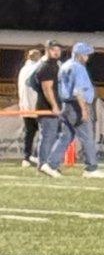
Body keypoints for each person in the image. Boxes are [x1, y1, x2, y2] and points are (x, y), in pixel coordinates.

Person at [41, 42, 104, 179]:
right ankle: (91, 168)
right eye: (86, 54)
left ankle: (51, 164)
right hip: (77, 105)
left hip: (67, 104)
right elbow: (79, 90)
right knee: (87, 137)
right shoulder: (78, 68)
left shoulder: (65, 66)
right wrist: (83, 110)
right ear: (80, 55)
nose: (88, 57)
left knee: (66, 136)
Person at [32, 39, 64, 173]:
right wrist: (54, 106)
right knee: (48, 136)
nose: (56, 52)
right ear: (47, 50)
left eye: (58, 50)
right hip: (47, 108)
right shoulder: (46, 67)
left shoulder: (55, 65)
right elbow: (47, 89)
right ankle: (43, 163)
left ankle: (47, 162)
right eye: (53, 50)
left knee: (54, 136)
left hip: (54, 107)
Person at [17, 45, 45, 166]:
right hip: (37, 107)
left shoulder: (23, 70)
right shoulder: (38, 68)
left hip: (25, 106)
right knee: (46, 132)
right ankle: (36, 154)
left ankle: (26, 157)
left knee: (29, 134)